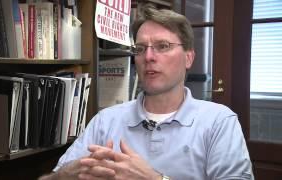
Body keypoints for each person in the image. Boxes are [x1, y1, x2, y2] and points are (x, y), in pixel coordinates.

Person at [39, 4, 253, 180]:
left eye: (163, 46)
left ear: (189, 58)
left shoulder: (218, 121)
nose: (148, 56)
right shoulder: (105, 121)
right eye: (140, 49)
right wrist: (67, 174)